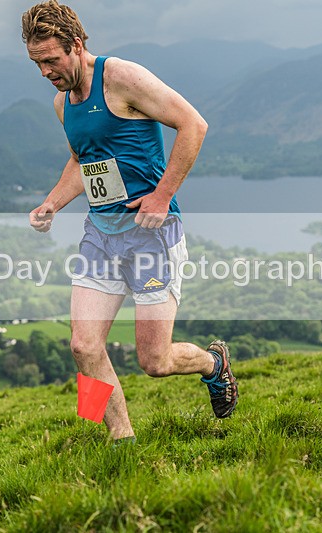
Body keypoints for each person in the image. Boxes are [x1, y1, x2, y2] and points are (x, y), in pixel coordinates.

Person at [21, 0, 237, 443]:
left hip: (151, 236)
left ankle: (214, 364)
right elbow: (82, 161)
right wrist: (52, 204)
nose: (44, 72)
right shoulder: (63, 103)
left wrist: (162, 196)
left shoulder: (121, 77)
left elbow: (193, 125)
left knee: (154, 362)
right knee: (83, 346)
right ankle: (117, 439)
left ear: (75, 45)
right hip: (101, 235)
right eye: (36, 63)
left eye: (50, 60)